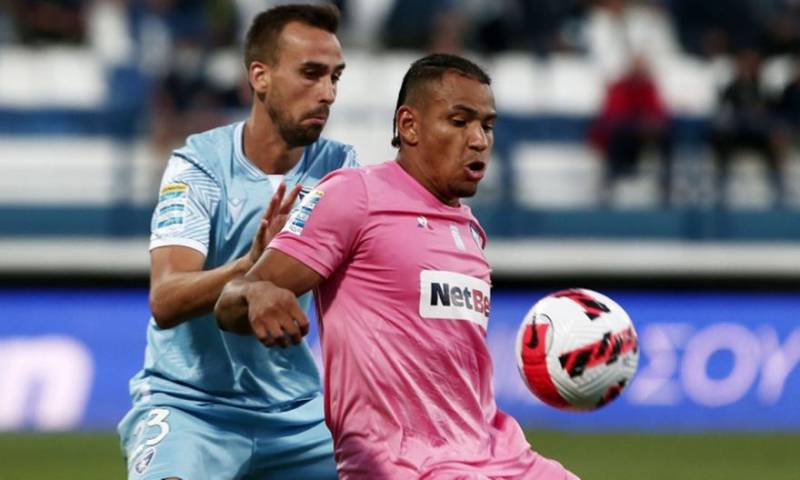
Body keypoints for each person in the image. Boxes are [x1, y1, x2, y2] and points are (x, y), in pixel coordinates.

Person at [215, 53, 579, 479]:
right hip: (405, 466)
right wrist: (259, 292)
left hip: (498, 454)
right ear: (409, 126)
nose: (479, 139)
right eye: (460, 121)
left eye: (487, 125)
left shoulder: (470, 231)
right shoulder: (354, 195)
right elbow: (232, 300)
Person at [117, 4, 357, 479]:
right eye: (311, 74)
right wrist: (248, 266)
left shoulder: (340, 169)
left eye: (335, 77)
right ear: (260, 76)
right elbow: (166, 299)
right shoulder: (199, 166)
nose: (327, 93)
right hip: (190, 408)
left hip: (298, 416)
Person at [589, 55, 673, 207]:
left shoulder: (650, 88)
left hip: (643, 138)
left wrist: (651, 123)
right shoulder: (619, 87)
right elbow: (613, 115)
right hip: (620, 137)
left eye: (643, 67)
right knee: (619, 139)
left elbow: (659, 113)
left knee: (666, 138)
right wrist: (637, 123)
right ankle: (609, 187)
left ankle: (665, 186)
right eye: (637, 67)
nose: (640, 71)